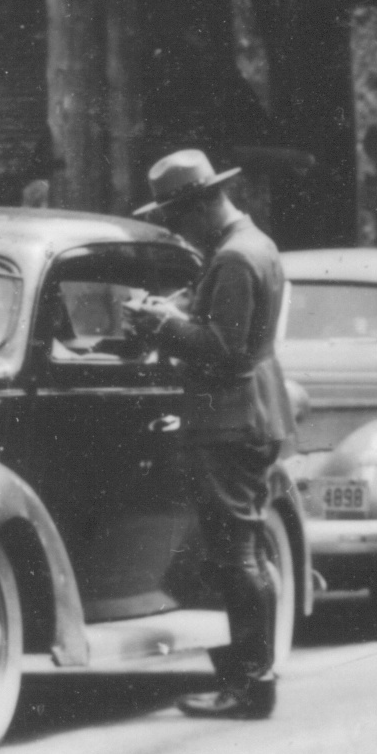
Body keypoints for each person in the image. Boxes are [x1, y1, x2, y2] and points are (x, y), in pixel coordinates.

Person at [130, 149, 294, 720]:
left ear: (199, 205)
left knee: (236, 554)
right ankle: (255, 677)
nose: (176, 228)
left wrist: (162, 325)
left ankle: (250, 685)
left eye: (176, 216)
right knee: (240, 549)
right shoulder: (252, 246)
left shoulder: (232, 259)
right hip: (251, 413)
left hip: (229, 418)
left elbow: (223, 352)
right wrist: (178, 312)